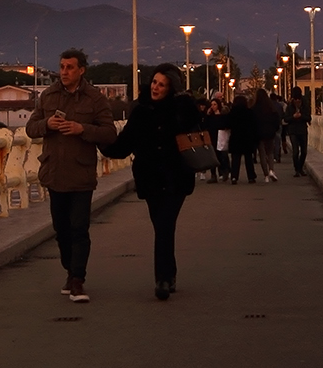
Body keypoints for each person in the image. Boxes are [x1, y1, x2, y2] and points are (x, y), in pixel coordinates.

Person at [24, 48, 117, 304]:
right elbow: (30, 128)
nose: (64, 72)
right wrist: (47, 125)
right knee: (61, 229)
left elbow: (109, 133)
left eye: (70, 67)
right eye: (62, 67)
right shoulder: (48, 96)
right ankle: (69, 270)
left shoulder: (95, 98)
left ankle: (78, 279)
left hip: (81, 173)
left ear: (81, 70)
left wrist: (81, 129)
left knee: (79, 228)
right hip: (54, 173)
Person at [102, 63, 202, 300]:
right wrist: (100, 143)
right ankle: (170, 272)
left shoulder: (182, 109)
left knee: (165, 224)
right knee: (161, 226)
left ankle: (162, 280)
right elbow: (124, 144)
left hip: (176, 177)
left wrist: (182, 101)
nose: (156, 87)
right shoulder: (141, 111)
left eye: (162, 85)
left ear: (171, 88)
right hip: (150, 178)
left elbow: (196, 123)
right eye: (155, 82)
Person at [227, 91, 259, 182]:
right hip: (247, 138)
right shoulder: (249, 112)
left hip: (236, 137)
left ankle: (234, 176)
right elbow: (254, 125)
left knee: (235, 159)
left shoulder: (232, 113)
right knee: (248, 158)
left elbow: (227, 124)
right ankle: (251, 176)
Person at [254, 88, 283, 182]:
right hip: (270, 133)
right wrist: (274, 129)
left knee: (262, 154)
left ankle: (266, 175)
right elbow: (276, 120)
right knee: (270, 152)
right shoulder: (271, 107)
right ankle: (271, 170)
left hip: (259, 133)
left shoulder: (255, 108)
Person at [287, 88, 311, 176]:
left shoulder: (305, 106)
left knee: (304, 151)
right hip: (293, 131)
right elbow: (286, 118)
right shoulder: (290, 106)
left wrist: (301, 116)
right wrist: (293, 117)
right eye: (296, 99)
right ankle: (297, 169)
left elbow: (309, 118)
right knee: (295, 151)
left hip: (302, 130)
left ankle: (300, 168)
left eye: (298, 99)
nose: (297, 100)